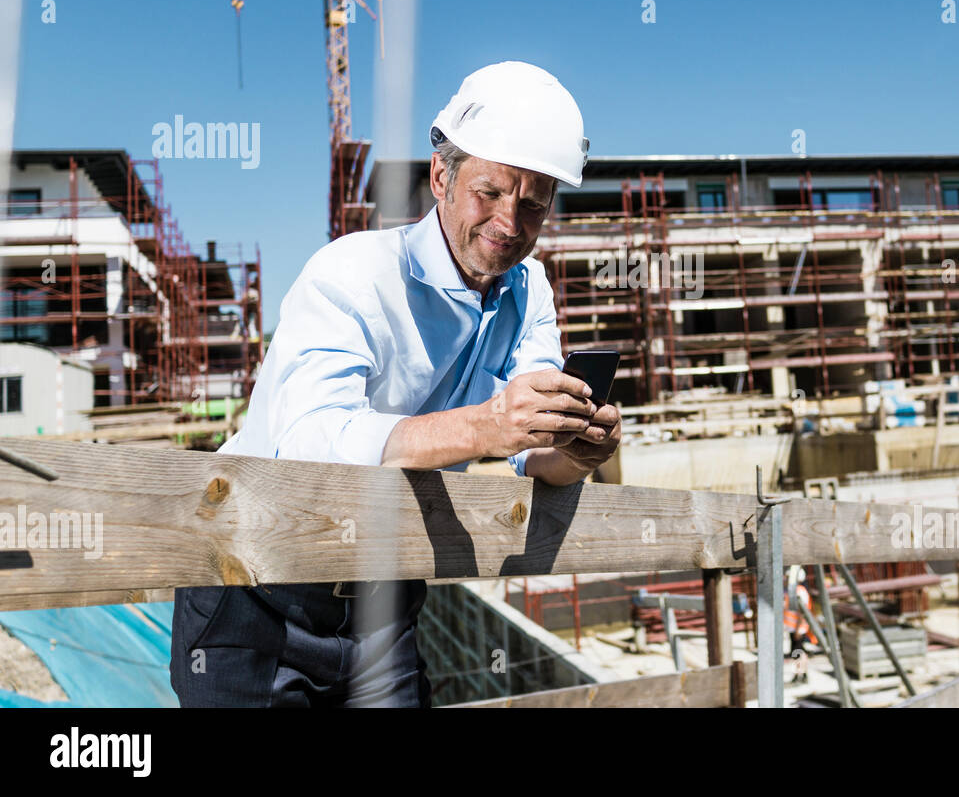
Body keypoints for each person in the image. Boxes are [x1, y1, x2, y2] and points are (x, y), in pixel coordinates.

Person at [170, 61, 622, 707]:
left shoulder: (532, 294)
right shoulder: (351, 275)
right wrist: (486, 424)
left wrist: (576, 451)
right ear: (441, 176)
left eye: (533, 203)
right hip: (256, 589)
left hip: (384, 601)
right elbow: (311, 442)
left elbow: (534, 453)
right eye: (490, 192)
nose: (509, 221)